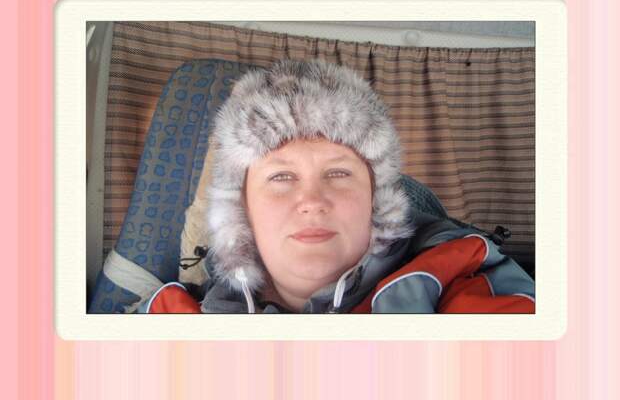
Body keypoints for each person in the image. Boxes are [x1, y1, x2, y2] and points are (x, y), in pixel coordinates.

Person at [139, 59, 535, 314]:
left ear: (377, 201)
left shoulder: (460, 276)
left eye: (338, 173)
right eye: (281, 177)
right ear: (241, 214)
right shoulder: (174, 315)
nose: (312, 201)